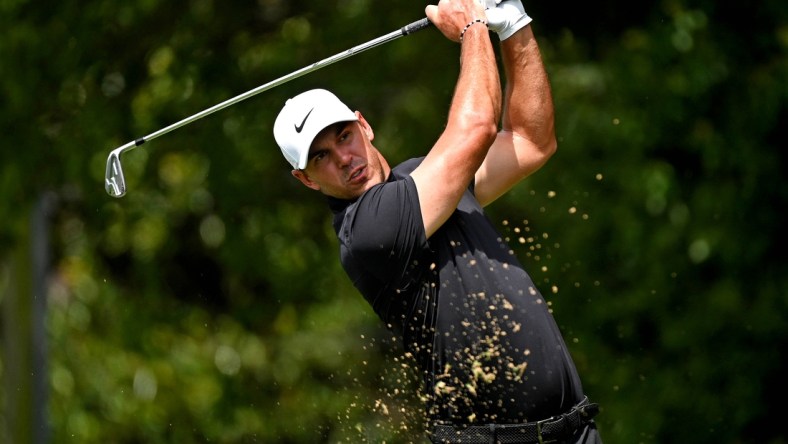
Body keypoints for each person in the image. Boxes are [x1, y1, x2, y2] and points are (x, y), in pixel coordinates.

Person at [273, 0, 602, 442]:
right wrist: (474, 26)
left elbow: (531, 140)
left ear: (363, 125)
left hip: (576, 431)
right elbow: (477, 128)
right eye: (321, 157)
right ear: (306, 180)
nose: (344, 158)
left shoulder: (421, 178)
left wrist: (515, 25)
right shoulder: (367, 230)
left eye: (344, 136)